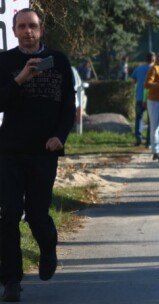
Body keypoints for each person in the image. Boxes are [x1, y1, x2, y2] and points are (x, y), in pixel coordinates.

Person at [0, 8, 75, 302]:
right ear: (15, 31)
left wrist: (60, 135)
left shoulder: (58, 61)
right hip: (9, 150)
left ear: (41, 30)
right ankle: (11, 281)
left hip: (44, 150)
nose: (27, 32)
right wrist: (20, 78)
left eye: (32, 26)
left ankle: (47, 247)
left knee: (36, 215)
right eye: (22, 27)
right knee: (8, 215)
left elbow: (68, 105)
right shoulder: (5, 61)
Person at [131, 52, 156, 147]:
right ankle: (149, 142)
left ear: (145, 60)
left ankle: (138, 138)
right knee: (151, 120)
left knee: (138, 118)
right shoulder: (155, 69)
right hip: (152, 98)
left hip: (139, 97)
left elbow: (133, 81)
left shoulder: (139, 69)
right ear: (153, 60)